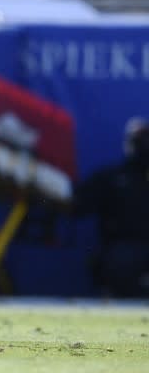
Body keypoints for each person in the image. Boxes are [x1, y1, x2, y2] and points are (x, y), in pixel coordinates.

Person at [72, 117, 149, 298]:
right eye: (141, 139)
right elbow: (76, 204)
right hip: (121, 255)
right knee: (121, 260)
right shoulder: (111, 178)